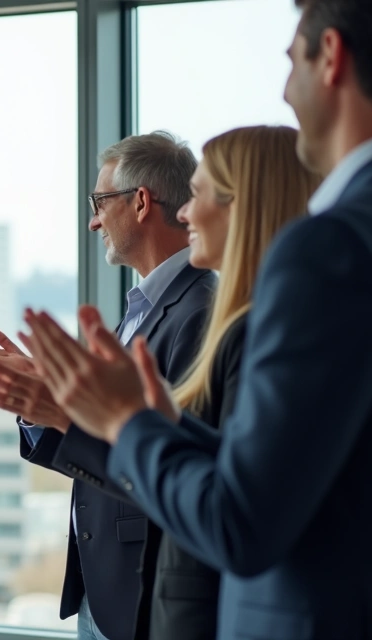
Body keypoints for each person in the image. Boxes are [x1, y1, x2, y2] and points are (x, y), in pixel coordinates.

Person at [20, 0, 372, 637]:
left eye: (291, 62)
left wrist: (126, 420)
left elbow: (241, 518)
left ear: (332, 57)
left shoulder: (331, 250)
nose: (285, 89)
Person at [0, 132, 213, 640]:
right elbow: (106, 442)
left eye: (100, 202)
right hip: (104, 588)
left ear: (140, 202)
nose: (93, 220)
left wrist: (63, 409)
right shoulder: (144, 308)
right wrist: (42, 401)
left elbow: (176, 466)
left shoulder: (198, 311)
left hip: (147, 593)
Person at [138, 125, 319, 640]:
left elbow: (233, 503)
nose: (185, 213)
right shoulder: (246, 323)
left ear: (243, 204)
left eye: (196, 194)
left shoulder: (255, 332)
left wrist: (126, 423)